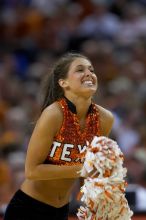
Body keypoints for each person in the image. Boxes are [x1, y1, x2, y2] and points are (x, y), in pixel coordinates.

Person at [4, 52, 114, 220]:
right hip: (29, 208)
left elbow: (89, 173)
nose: (89, 74)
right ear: (64, 83)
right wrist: (83, 167)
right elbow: (32, 171)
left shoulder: (105, 119)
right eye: (80, 70)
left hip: (62, 210)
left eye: (91, 70)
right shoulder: (53, 114)